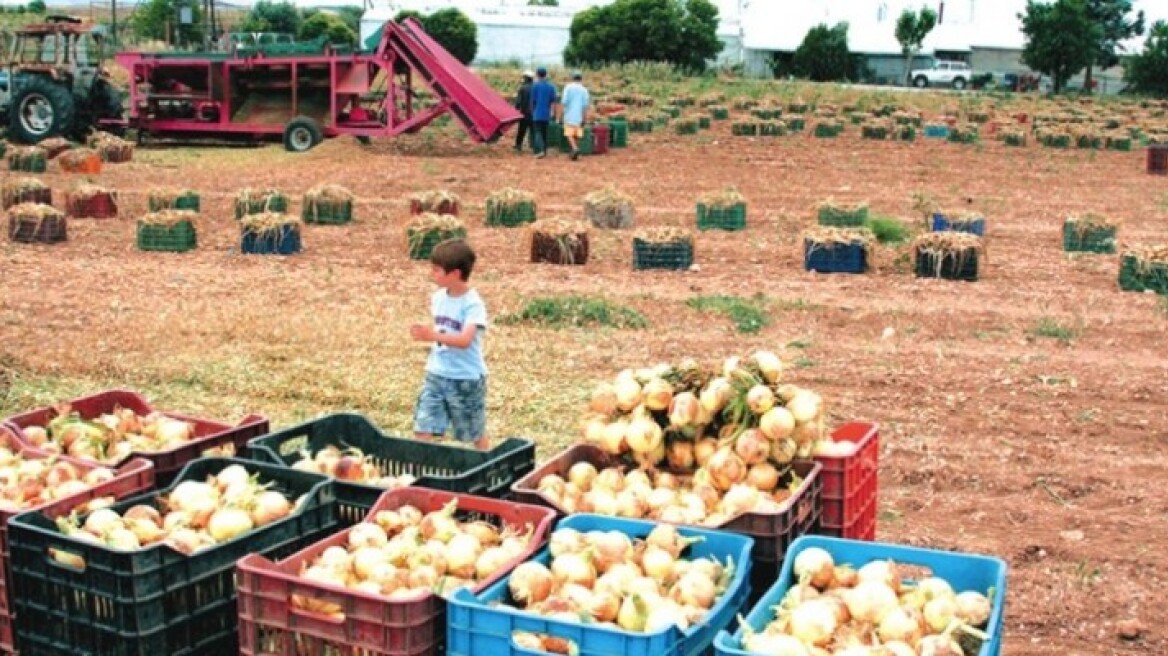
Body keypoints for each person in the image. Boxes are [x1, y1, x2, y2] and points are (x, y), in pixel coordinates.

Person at [409, 239, 490, 451]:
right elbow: (444, 331)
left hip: (465, 378)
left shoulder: (473, 305)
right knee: (423, 425)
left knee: (473, 431)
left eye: (436, 270)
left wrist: (431, 335)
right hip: (436, 374)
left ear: (454, 274)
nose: (432, 274)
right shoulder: (438, 298)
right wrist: (430, 334)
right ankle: (417, 470)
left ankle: (487, 465)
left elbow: (464, 340)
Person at [560, 70, 591, 161]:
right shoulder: (584, 90)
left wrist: (561, 114)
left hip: (569, 114)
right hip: (579, 115)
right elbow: (585, 105)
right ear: (581, 78)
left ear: (572, 78)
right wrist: (585, 117)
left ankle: (574, 148)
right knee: (576, 134)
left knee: (569, 134)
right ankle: (573, 151)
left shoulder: (568, 88)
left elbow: (564, 102)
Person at [530, 67, 557, 159]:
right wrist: (552, 112)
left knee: (538, 132)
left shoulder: (535, 86)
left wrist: (532, 111)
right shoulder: (551, 87)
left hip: (537, 112)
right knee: (545, 132)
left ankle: (540, 150)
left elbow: (533, 101)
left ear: (537, 75)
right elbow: (553, 102)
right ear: (546, 75)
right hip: (547, 113)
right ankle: (544, 151)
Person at [513, 70, 534, 153]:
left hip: (525, 112)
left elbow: (518, 102)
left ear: (526, 78)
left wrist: (515, 110)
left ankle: (518, 145)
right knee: (534, 131)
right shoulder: (535, 87)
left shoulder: (522, 88)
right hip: (534, 113)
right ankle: (535, 146)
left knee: (522, 130)